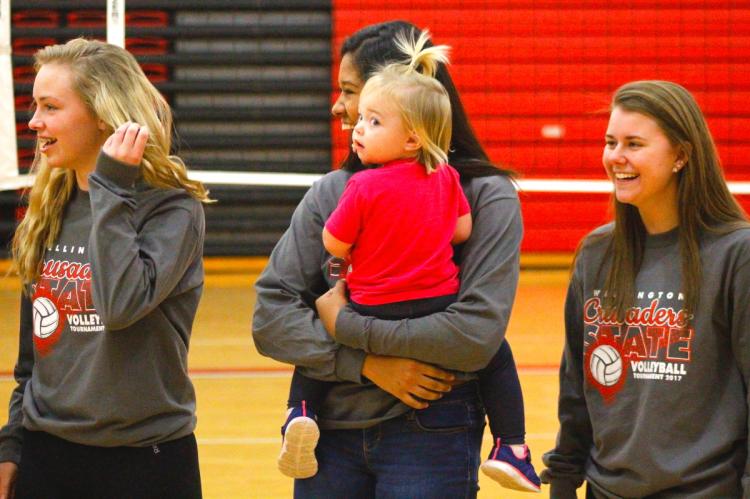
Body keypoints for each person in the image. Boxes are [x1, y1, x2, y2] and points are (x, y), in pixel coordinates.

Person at [253, 21, 534, 497]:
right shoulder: (333, 192)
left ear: (407, 109)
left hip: (433, 427)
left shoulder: (486, 196)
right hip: (331, 435)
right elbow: (270, 318)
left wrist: (347, 328)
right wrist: (364, 363)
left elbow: (476, 335)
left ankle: (513, 446)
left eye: (351, 94)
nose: (339, 108)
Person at [0, 38, 209, 499]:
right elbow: (33, 355)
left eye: (50, 107)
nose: (34, 122)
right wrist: (12, 444)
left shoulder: (173, 209)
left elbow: (121, 305)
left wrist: (109, 189)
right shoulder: (48, 206)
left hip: (147, 462)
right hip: (47, 455)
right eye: (35, 106)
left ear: (102, 114)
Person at [540, 80, 750, 498]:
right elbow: (575, 390)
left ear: (681, 156)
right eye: (610, 142)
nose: (616, 157)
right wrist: (563, 480)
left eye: (634, 144)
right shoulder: (597, 253)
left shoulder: (736, 254)